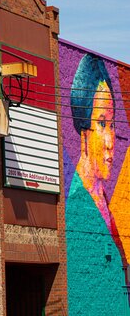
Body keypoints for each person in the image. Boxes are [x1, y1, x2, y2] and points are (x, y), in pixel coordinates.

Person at [66, 53, 128, 312]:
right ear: (83, 131)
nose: (111, 139)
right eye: (102, 123)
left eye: (112, 125)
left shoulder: (103, 204)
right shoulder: (78, 210)